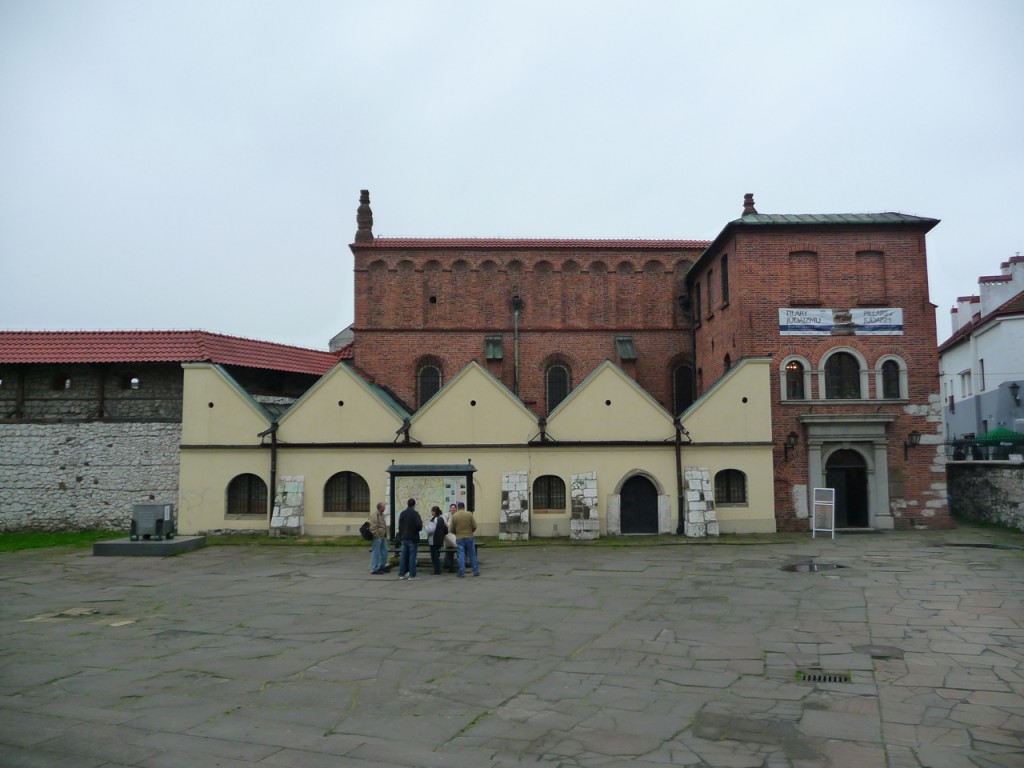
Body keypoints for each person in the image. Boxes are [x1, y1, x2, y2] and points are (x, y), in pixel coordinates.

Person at [449, 501, 479, 577]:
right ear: (464, 507)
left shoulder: (454, 516)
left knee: (461, 555)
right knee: (472, 554)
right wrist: (471, 531)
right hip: (469, 536)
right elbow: (475, 526)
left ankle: (461, 572)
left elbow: (451, 529)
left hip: (459, 537)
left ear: (458, 508)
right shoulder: (469, 514)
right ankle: (475, 571)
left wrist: (456, 533)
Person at [396, 498, 423, 580]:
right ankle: (412, 575)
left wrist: (401, 536)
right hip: (413, 538)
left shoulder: (402, 513)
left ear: (407, 504)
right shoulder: (415, 514)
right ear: (414, 505)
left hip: (404, 538)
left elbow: (400, 526)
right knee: (412, 556)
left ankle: (402, 574)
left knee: (403, 556)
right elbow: (419, 526)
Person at [425, 505, 448, 575]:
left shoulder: (434, 520)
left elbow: (430, 531)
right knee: (437, 555)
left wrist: (425, 527)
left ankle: (437, 570)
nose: (431, 512)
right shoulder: (442, 518)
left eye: (432, 511)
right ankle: (437, 569)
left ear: (434, 512)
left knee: (434, 556)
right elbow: (446, 528)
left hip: (433, 540)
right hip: (440, 540)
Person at [369, 501, 389, 574]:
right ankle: (374, 568)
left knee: (385, 552)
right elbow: (373, 528)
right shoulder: (375, 516)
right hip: (377, 537)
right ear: (380, 508)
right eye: (384, 507)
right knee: (376, 553)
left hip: (382, 536)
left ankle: (382, 566)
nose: (385, 508)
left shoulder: (382, 514)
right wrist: (378, 536)